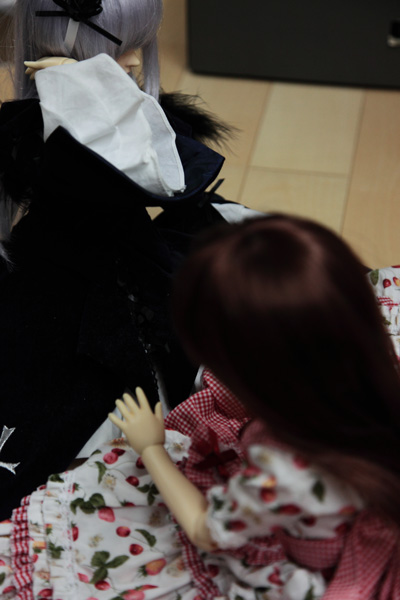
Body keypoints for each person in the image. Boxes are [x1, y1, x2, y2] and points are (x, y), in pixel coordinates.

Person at [1, 214, 399, 599]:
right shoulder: (374, 375)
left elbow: (205, 529)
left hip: (309, 549)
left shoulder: (285, 470)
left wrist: (152, 448)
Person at [0, 0, 244, 519]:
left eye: (137, 46)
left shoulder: (120, 121)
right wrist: (84, 89)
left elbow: (162, 176)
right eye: (119, 48)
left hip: (126, 254)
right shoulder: (45, 135)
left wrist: (92, 84)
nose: (133, 61)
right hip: (61, 270)